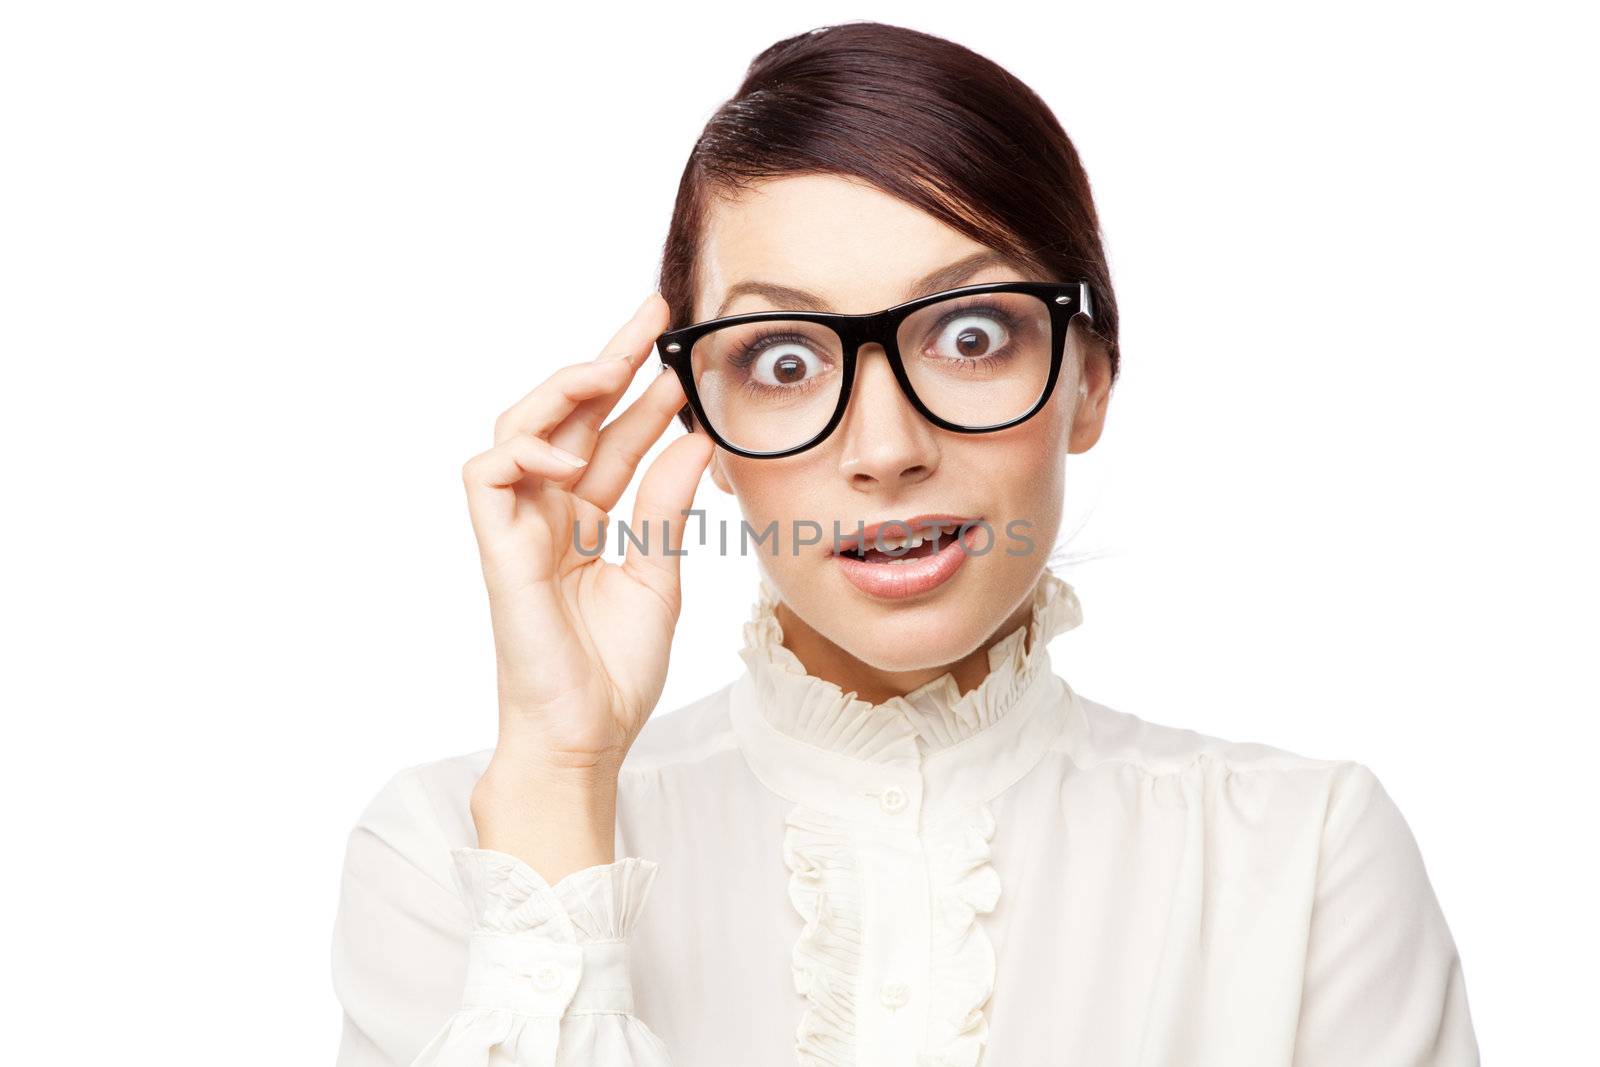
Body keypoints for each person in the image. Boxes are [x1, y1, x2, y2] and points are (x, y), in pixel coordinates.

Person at [330, 20, 1478, 1067]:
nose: (885, 447)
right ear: (701, 422)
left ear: (1088, 378)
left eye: (970, 334)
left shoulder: (1305, 855)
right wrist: (559, 770)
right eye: (782, 359)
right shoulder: (455, 859)